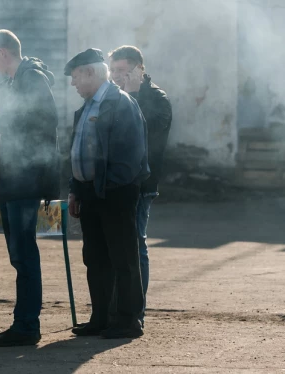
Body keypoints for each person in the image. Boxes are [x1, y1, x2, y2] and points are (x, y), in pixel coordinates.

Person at [0, 29, 59, 347]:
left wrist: (0, 117)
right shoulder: (11, 81)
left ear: (4, 53)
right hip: (11, 178)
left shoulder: (31, 76)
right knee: (18, 254)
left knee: (24, 253)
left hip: (26, 178)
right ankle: (23, 322)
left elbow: (45, 119)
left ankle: (26, 325)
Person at [65, 48, 149, 339]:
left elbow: (131, 155)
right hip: (91, 194)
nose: (74, 84)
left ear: (90, 73)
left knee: (123, 258)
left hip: (114, 194)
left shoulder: (121, 103)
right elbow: (78, 152)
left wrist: (109, 188)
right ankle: (101, 318)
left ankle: (128, 321)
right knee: (96, 258)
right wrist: (77, 190)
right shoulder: (87, 106)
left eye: (76, 77)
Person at [109, 45, 173, 326]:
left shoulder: (157, 99)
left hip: (141, 183)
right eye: (112, 71)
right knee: (114, 248)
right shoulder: (112, 96)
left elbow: (148, 131)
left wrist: (134, 96)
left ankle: (136, 311)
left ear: (139, 70)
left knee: (136, 245)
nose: (116, 77)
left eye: (122, 71)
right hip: (113, 183)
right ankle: (114, 309)